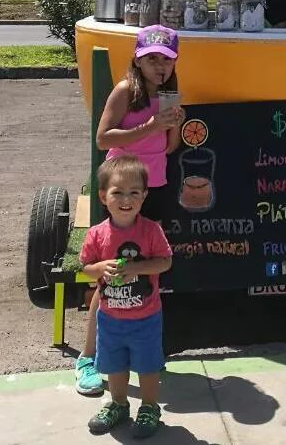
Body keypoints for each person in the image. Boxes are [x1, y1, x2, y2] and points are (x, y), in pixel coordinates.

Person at [74, 25, 184, 398]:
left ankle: (141, 352)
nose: (160, 67)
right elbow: (103, 138)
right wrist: (151, 125)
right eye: (152, 58)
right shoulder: (125, 92)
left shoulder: (169, 94)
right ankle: (89, 357)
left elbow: (167, 149)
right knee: (109, 274)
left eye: (166, 60)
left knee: (143, 272)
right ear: (137, 59)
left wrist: (173, 127)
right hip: (122, 187)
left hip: (154, 188)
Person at [80, 155, 173, 438]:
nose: (126, 199)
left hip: (145, 317)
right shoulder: (97, 235)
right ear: (102, 196)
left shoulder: (151, 230)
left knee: (147, 366)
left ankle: (149, 406)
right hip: (110, 318)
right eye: (117, 192)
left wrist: (135, 267)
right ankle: (119, 404)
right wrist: (99, 268)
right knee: (115, 366)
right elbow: (85, 268)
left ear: (144, 196)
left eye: (134, 192)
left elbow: (165, 262)